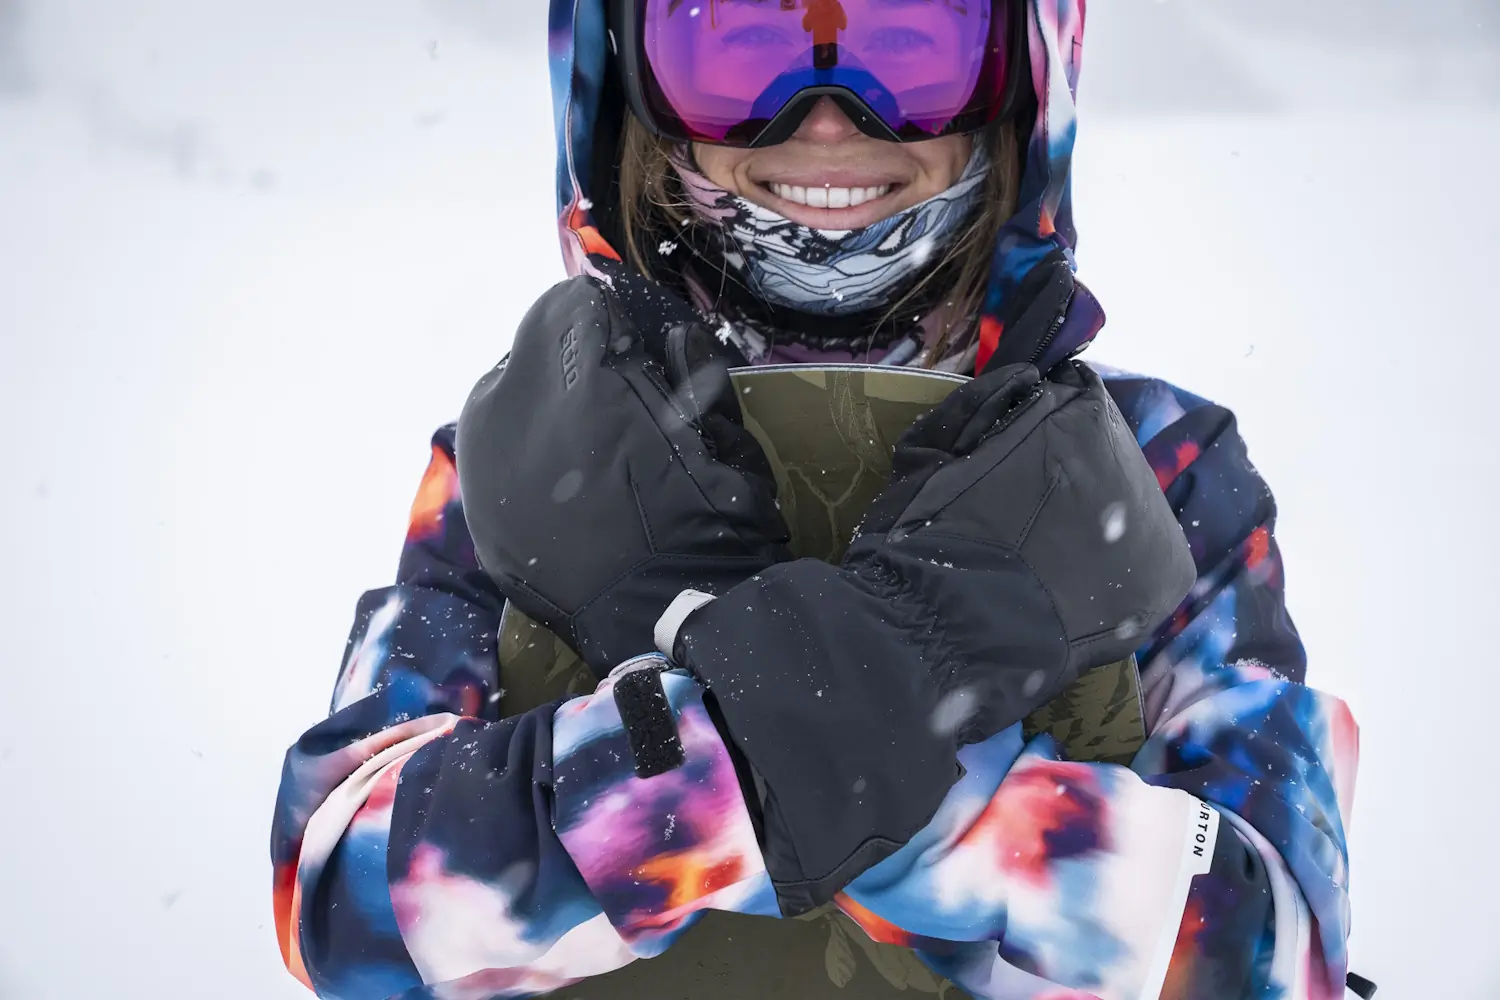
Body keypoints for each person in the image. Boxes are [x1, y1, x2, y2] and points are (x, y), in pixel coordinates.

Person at [270, 2, 1366, 998]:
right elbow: (351, 902)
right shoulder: (516, 461)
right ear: (630, 90)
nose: (831, 121)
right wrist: (876, 688)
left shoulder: (1156, 461)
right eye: (740, 44)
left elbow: (1273, 948)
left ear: (1017, 86)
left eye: (910, 44)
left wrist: (787, 727)